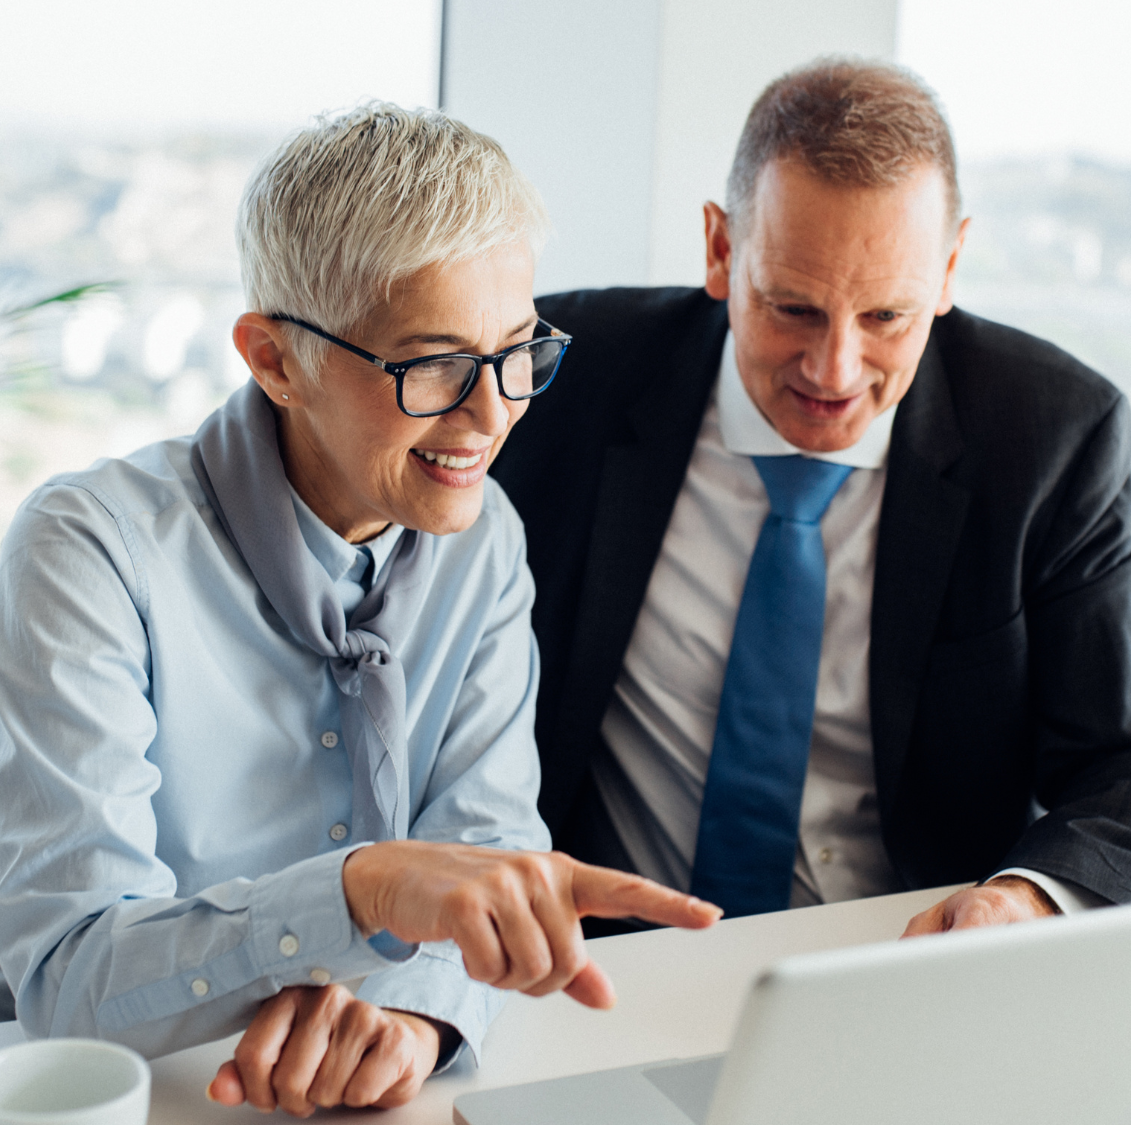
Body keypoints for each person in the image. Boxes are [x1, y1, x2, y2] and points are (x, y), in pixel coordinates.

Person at [0, 103, 719, 1118]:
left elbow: (491, 842)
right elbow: (68, 980)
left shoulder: (485, 539)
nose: (490, 415)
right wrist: (361, 894)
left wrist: (415, 1019)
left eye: (518, 351)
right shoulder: (91, 552)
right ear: (275, 360)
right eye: (432, 365)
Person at [491, 60, 1131, 939]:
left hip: (907, 960)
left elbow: (1120, 766)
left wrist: (1022, 894)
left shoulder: (1056, 439)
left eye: (885, 318)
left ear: (947, 270)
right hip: (598, 962)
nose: (833, 371)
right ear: (720, 250)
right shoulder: (551, 377)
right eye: (791, 307)